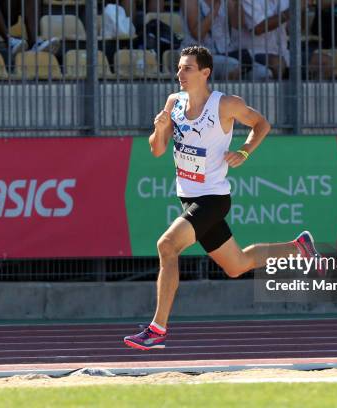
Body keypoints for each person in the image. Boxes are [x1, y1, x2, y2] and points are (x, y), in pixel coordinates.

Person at [123, 45, 322, 350]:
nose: (180, 74)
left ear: (205, 73)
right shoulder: (173, 103)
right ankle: (299, 248)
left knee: (167, 245)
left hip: (213, 198)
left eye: (187, 68)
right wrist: (158, 130)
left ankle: (157, 329)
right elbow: (157, 149)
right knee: (237, 265)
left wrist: (244, 151)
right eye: (178, 68)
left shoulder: (226, 104)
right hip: (187, 198)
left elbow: (261, 124)